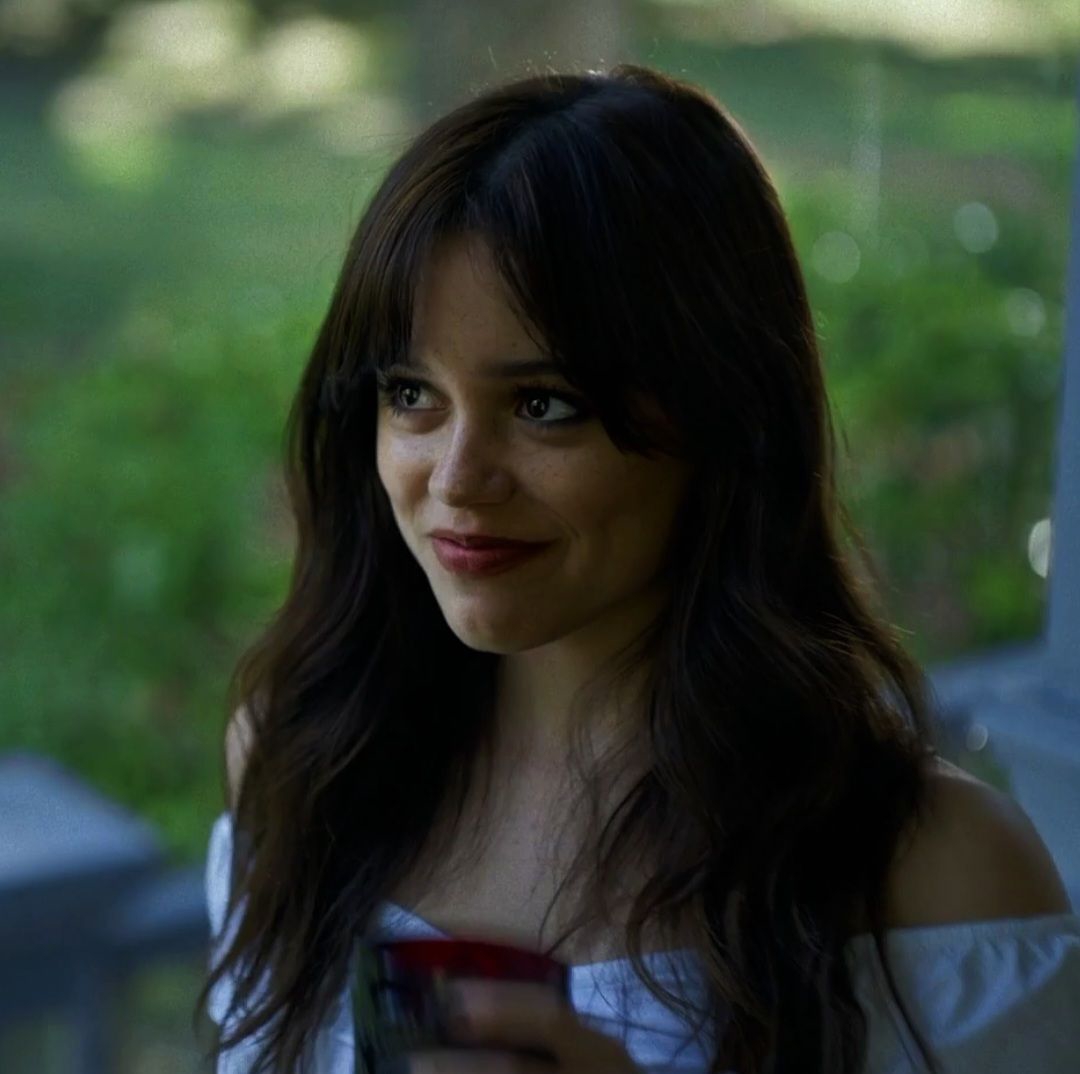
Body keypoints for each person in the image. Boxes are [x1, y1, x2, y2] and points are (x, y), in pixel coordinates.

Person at [196, 63, 1080, 1073]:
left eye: (543, 405)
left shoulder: (936, 879)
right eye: (410, 394)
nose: (457, 477)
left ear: (721, 418)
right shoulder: (303, 761)